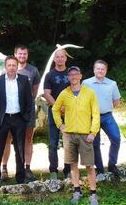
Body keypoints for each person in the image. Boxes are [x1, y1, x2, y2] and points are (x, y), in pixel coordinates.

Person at [53, 66, 100, 205]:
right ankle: (76, 191)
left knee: (90, 165)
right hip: (69, 135)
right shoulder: (64, 93)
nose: (73, 77)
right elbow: (55, 109)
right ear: (68, 77)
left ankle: (93, 194)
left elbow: (96, 114)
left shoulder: (89, 93)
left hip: (86, 135)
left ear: (80, 76)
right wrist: (60, 125)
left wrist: (93, 132)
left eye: (76, 74)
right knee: (73, 165)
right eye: (71, 75)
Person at [0, 55, 34, 186]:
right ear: (5, 66)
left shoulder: (24, 80)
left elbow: (29, 101)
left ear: (17, 66)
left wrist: (26, 117)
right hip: (2, 120)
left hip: (19, 118)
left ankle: (20, 179)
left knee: (19, 150)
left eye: (14, 65)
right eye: (9, 65)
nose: (11, 68)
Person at [1, 44, 40, 181]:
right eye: (20, 54)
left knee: (28, 139)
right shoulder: (7, 70)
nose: (22, 56)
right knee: (7, 139)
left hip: (27, 111)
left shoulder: (33, 71)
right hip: (9, 112)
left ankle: (26, 168)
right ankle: (4, 169)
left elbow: (34, 92)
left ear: (27, 55)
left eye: (25, 54)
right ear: (15, 54)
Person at [82, 59, 122, 175]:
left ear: (106, 71)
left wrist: (105, 107)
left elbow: (116, 101)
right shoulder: (86, 83)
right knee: (95, 143)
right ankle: (99, 168)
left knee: (116, 138)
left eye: (103, 69)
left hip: (107, 116)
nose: (100, 71)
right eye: (98, 68)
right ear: (94, 70)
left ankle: (112, 164)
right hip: (92, 118)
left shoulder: (112, 84)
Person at [43, 48, 71, 180]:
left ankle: (68, 170)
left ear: (66, 58)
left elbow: (77, 91)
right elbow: (47, 93)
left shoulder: (72, 73)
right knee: (53, 143)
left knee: (69, 142)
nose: (60, 59)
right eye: (57, 57)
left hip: (70, 113)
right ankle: (53, 170)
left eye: (62, 56)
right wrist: (58, 107)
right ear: (54, 59)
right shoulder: (49, 75)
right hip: (54, 112)